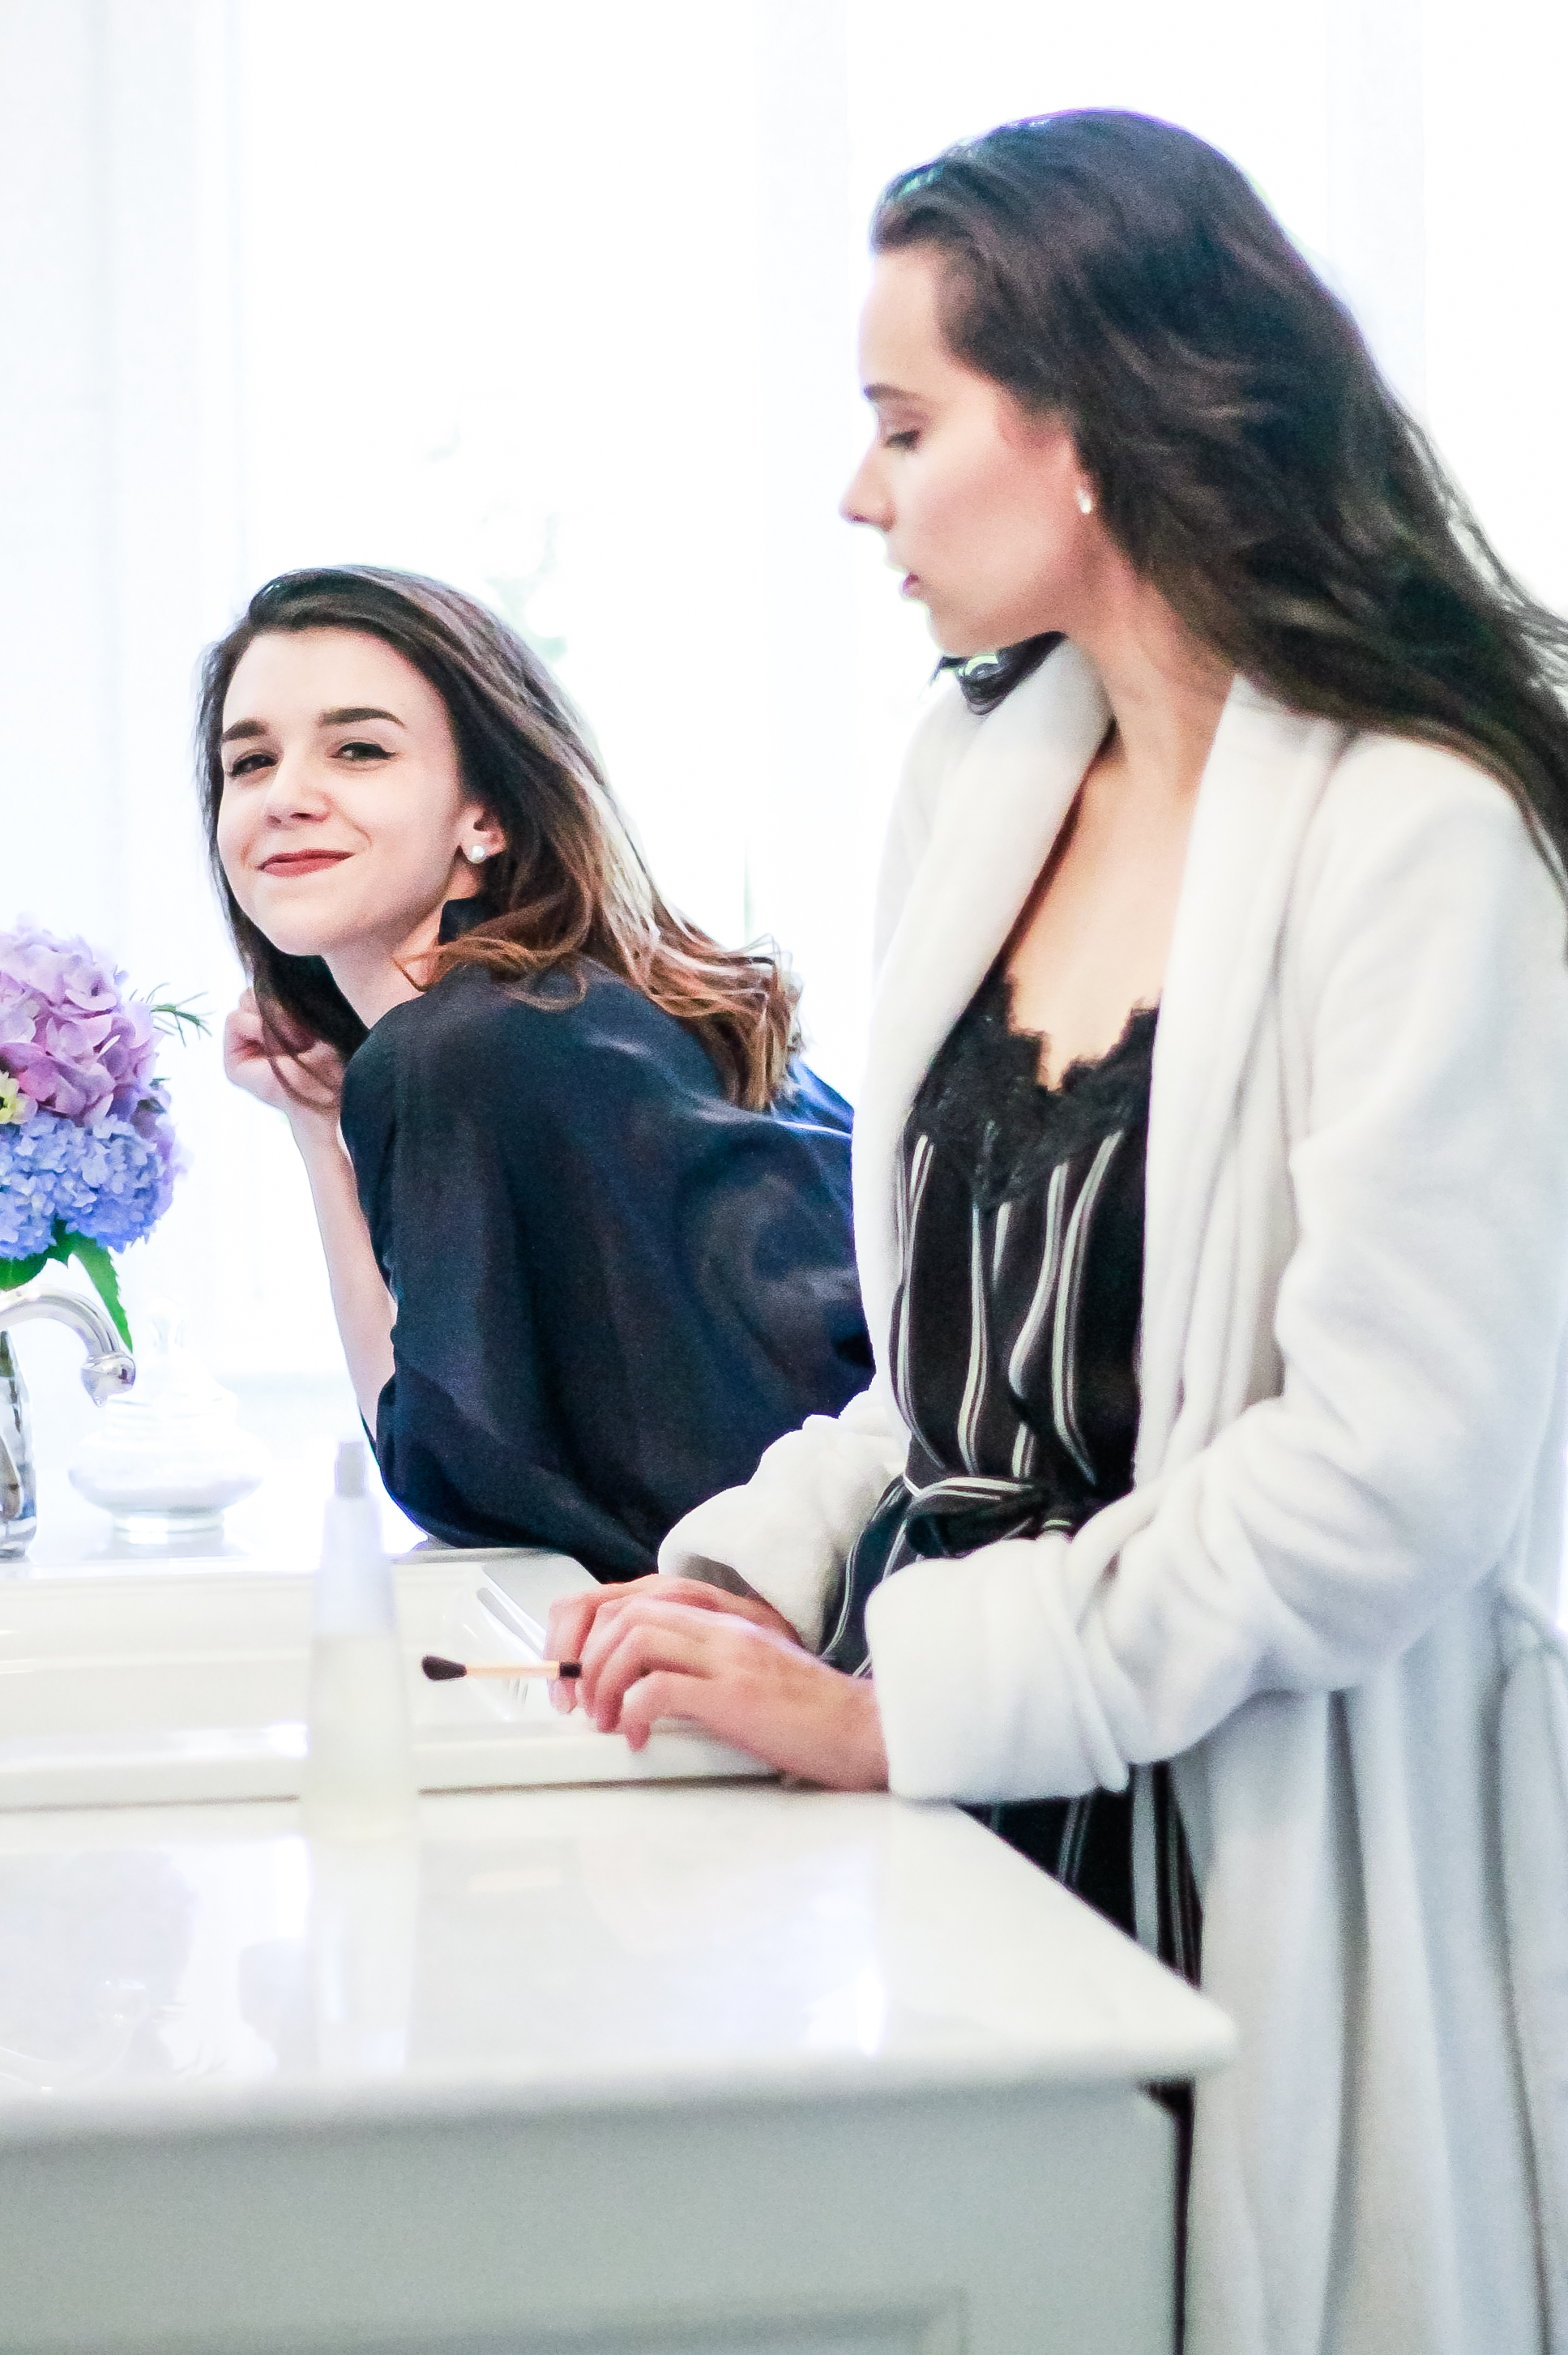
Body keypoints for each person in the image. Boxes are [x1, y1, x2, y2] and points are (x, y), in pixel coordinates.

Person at [546, 112, 1568, 2353]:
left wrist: (894, 1701)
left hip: (1236, 1827)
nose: (859, 493)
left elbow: (1384, 1479)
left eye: (902, 425)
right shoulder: (975, 775)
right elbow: (948, 1372)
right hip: (957, 1807)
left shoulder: (1422, 830)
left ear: (1089, 432)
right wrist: (749, 1572)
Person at [203, 566, 869, 1575]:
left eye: (358, 749)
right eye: (249, 761)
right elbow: (434, 1428)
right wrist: (317, 1122)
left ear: (486, 814)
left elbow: (442, 1474)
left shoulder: (470, 1049)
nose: (286, 797)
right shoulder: (585, 1010)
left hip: (786, 1636)